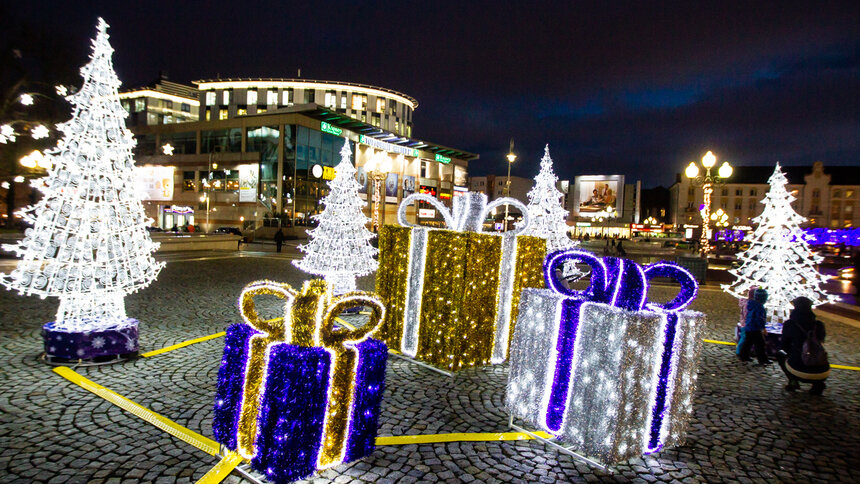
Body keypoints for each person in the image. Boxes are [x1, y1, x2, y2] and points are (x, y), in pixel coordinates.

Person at [777, 297, 829, 394]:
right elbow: (820, 341)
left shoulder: (790, 324)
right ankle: (818, 384)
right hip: (823, 370)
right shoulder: (819, 324)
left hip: (798, 369)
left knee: (780, 354)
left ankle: (793, 380)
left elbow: (784, 346)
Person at [738, 288, 771, 364]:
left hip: (749, 326)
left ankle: (743, 356)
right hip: (755, 328)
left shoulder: (751, 304)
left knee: (748, 342)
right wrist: (763, 328)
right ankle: (763, 359)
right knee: (760, 344)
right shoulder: (759, 307)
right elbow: (759, 319)